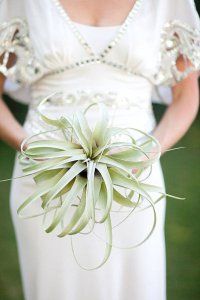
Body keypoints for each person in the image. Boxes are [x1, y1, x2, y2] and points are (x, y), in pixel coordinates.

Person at [0, 1, 199, 299]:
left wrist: (148, 154)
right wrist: (31, 147)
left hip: (133, 177)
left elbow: (186, 95)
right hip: (45, 178)